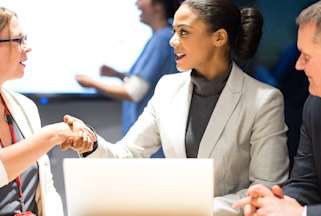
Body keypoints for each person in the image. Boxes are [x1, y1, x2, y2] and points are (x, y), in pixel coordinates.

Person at [67, 0, 289, 215]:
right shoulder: (167, 88)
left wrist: (190, 209)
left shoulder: (264, 100)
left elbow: (265, 190)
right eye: (174, 31)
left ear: (219, 38)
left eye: (184, 32)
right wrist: (90, 143)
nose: (172, 41)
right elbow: (127, 153)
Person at [233, 1, 321, 215]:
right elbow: (306, 184)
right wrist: (276, 202)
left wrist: (302, 214)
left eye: (306, 57)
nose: (298, 65)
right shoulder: (316, 106)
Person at [0, 7, 95, 215]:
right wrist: (52, 135)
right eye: (18, 40)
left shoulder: (24, 106)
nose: (28, 47)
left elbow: (47, 191)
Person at [76, 0, 180, 135]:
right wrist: (118, 74)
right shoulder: (163, 37)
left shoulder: (161, 39)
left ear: (158, 6)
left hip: (150, 145)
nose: (137, 3)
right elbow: (152, 80)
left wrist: (92, 83)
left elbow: (133, 92)